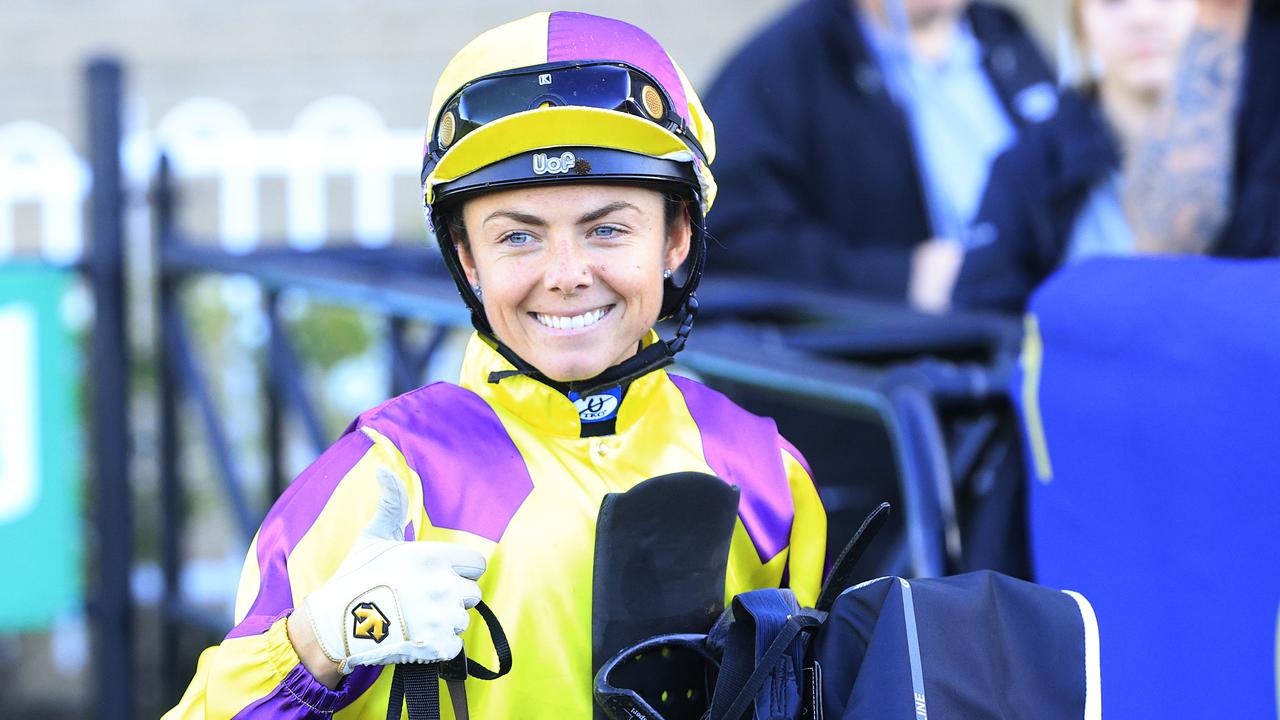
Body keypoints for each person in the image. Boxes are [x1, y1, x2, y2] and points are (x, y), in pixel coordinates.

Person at [164, 12, 827, 719]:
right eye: (519, 237)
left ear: (675, 239)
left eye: (607, 228)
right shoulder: (390, 474)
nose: (567, 274)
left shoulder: (765, 469)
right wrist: (321, 643)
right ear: (468, 258)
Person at [704, 0, 1056, 310]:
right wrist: (901, 278)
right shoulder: (786, 62)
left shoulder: (1002, 33)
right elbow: (724, 235)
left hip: (1042, 322)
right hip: (913, 357)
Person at [953, 0, 1265, 313]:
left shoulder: (1262, 151)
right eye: (1112, 2)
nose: (1143, 18)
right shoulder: (1029, 165)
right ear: (1081, 23)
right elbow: (984, 312)